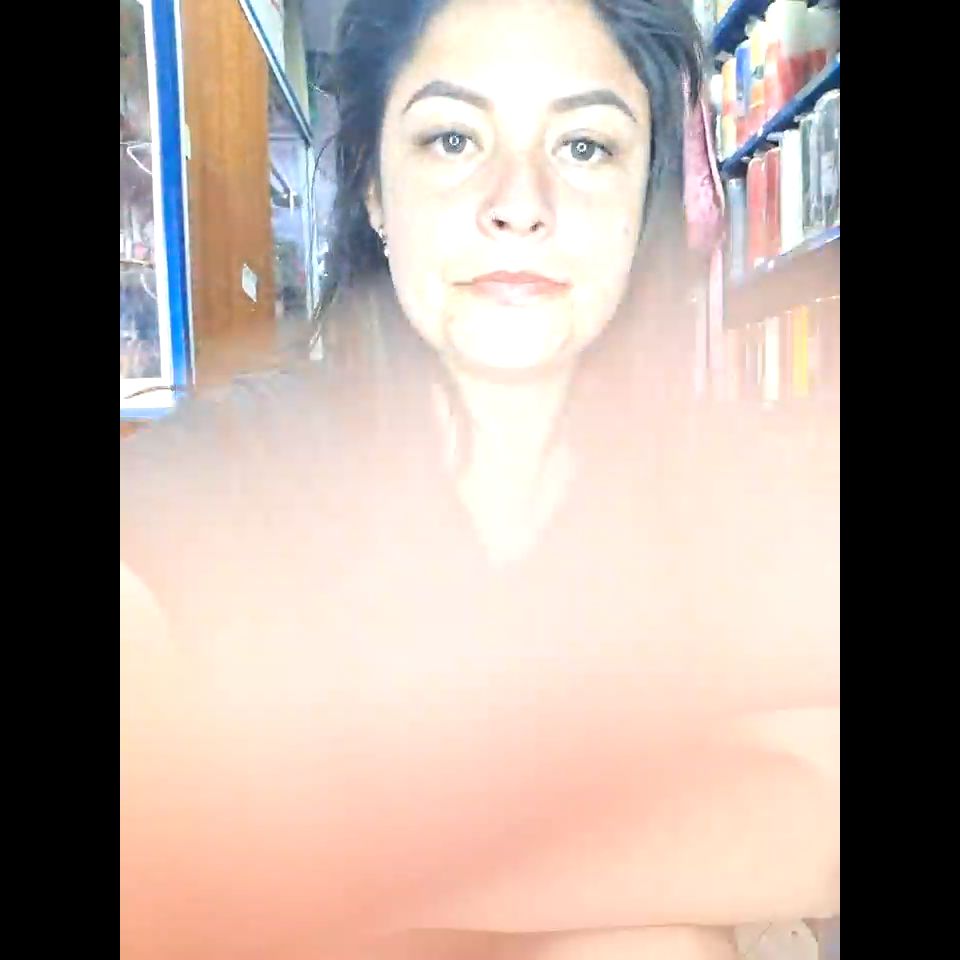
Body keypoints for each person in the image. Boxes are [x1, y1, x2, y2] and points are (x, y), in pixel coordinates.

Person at [120, 0, 839, 957]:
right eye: (453, 138)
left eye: (585, 147)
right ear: (374, 191)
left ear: (645, 198)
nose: (519, 202)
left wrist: (344, 865)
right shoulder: (233, 470)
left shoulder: (734, 487)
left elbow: (814, 811)